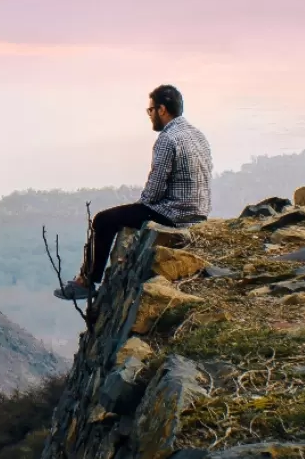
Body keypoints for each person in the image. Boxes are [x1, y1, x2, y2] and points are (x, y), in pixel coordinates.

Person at [55, 84, 211, 302]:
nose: (150, 116)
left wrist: (139, 207)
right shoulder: (197, 135)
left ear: (162, 110)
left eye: (151, 110)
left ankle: (87, 281)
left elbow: (154, 191)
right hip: (199, 211)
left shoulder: (167, 139)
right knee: (119, 216)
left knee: (103, 220)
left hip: (174, 213)